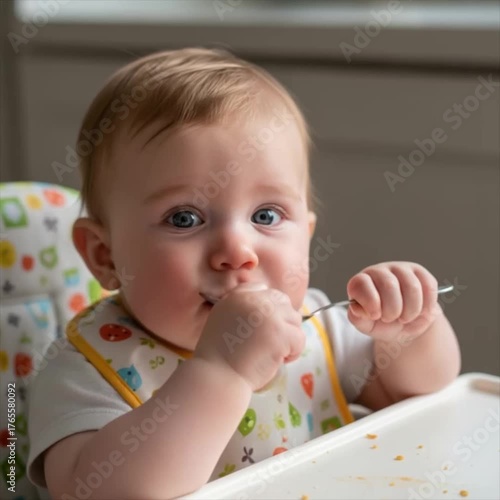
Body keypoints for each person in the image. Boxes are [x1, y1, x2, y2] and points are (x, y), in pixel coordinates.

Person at [27, 47, 461, 499]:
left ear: (307, 233)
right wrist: (220, 373)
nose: (237, 251)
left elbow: (420, 390)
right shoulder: (85, 369)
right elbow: (95, 491)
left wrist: (409, 330)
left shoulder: (324, 329)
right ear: (105, 256)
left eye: (267, 216)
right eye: (184, 219)